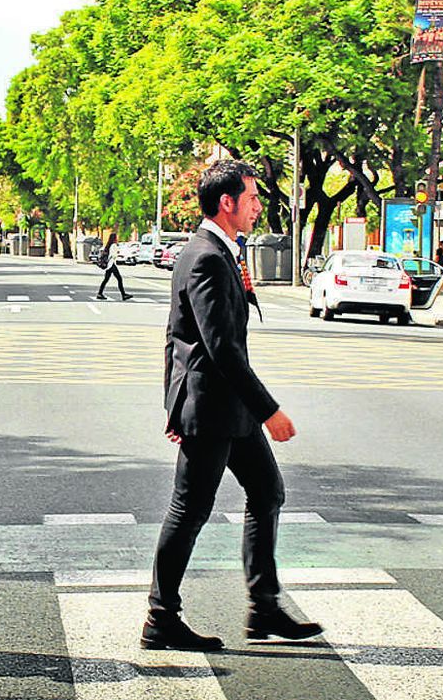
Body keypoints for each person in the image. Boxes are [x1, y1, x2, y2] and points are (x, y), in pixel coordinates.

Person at [145, 160, 321, 651]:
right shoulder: (205, 257)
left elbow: (176, 337)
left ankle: (265, 607)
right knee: (189, 509)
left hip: (228, 408)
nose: (258, 207)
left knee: (267, 491)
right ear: (227, 203)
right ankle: (161, 617)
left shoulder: (218, 253)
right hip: (214, 407)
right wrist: (269, 411)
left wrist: (175, 403)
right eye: (252, 198)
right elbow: (217, 346)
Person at [95, 230, 130, 301]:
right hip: (111, 264)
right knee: (119, 279)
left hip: (109, 265)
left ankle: (100, 293)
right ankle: (123, 295)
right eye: (116, 237)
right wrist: (118, 253)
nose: (117, 239)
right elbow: (113, 255)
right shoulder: (113, 245)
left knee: (106, 279)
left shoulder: (109, 245)